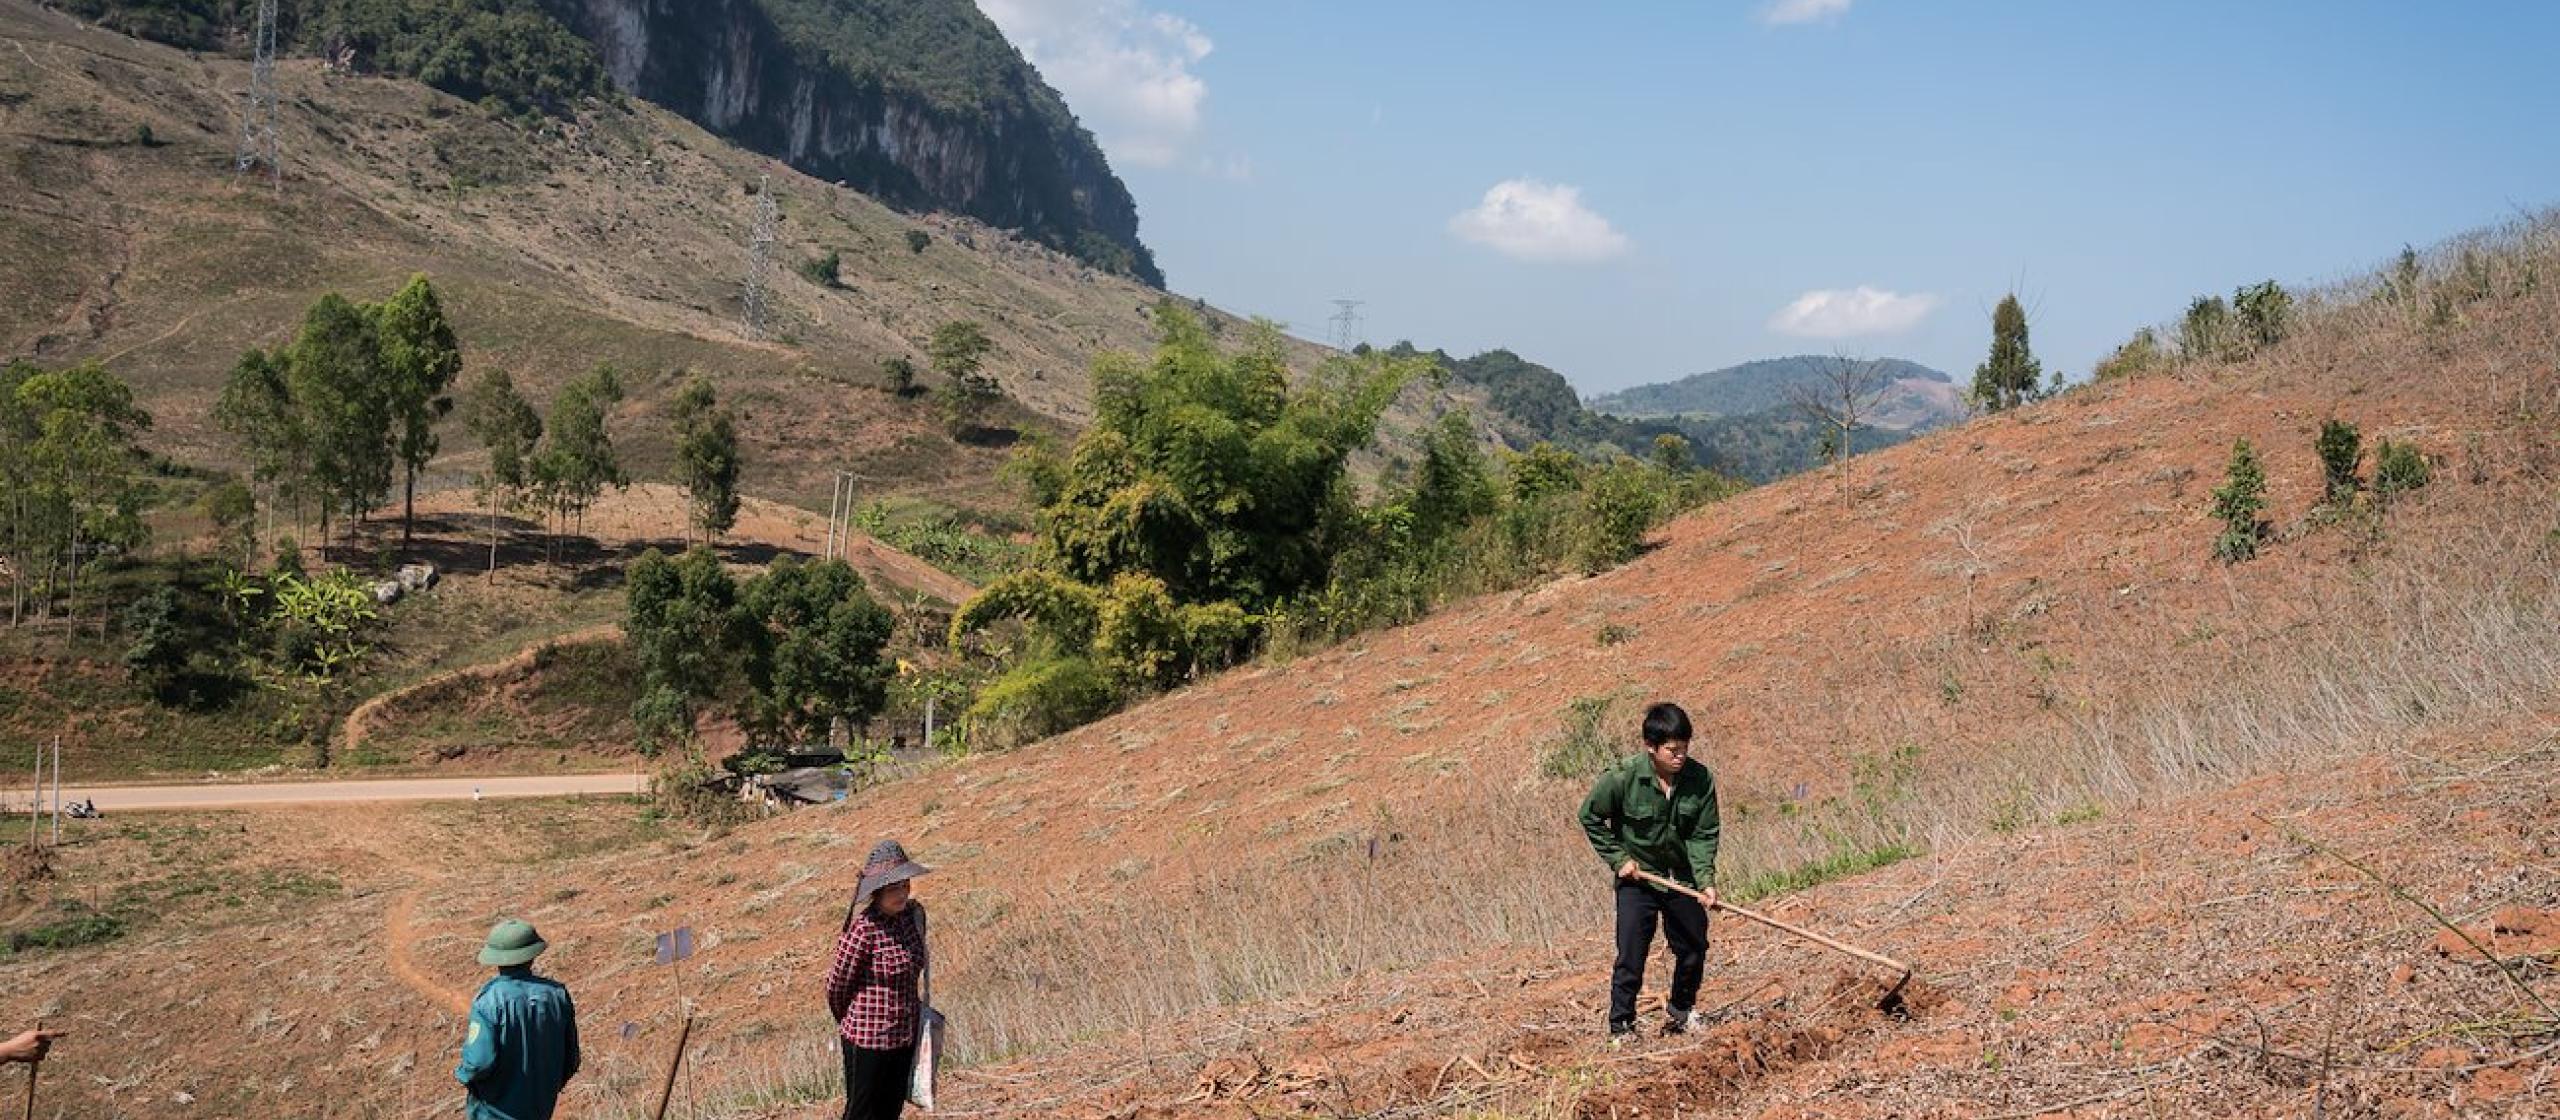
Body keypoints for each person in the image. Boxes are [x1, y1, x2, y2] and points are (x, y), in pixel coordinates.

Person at [1578, 701, 1722, 1041]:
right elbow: (1590, 817)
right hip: (1638, 878)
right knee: (1631, 952)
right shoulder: (1622, 778)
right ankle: (1621, 1027)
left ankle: (1681, 1012)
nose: (1680, 756)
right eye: (1672, 749)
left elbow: (1703, 834)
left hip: (1680, 878)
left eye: (1685, 748)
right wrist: (1619, 859)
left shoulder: (1700, 780)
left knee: (1693, 947)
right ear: (1650, 747)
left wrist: (1706, 881)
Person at [825, 839, 933, 1120]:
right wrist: (851, 1020)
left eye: (905, 885)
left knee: (890, 1110)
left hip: (903, 1034)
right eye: (894, 887)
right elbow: (837, 985)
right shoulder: (864, 929)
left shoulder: (913, 917)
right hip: (867, 1038)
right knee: (861, 1112)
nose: (902, 893)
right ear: (878, 891)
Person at [456, 919, 581, 1120]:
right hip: (540, 1107)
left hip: (495, 1112)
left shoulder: (488, 1002)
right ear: (532, 956)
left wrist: (462, 1074)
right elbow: (571, 1058)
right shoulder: (557, 994)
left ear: (496, 959)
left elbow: (478, 1063)